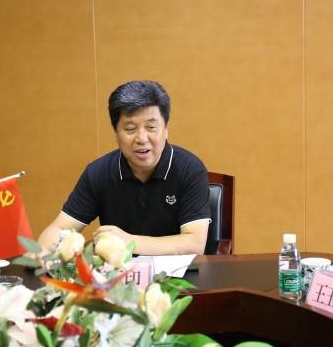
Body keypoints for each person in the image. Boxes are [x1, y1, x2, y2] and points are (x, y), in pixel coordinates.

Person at [36, 80, 210, 256]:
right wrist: (42, 251)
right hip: (118, 272)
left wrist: (129, 241)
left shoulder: (190, 169)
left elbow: (194, 244)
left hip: (178, 273)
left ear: (166, 129)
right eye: (130, 129)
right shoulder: (98, 173)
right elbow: (60, 229)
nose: (142, 138)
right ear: (116, 134)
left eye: (151, 127)